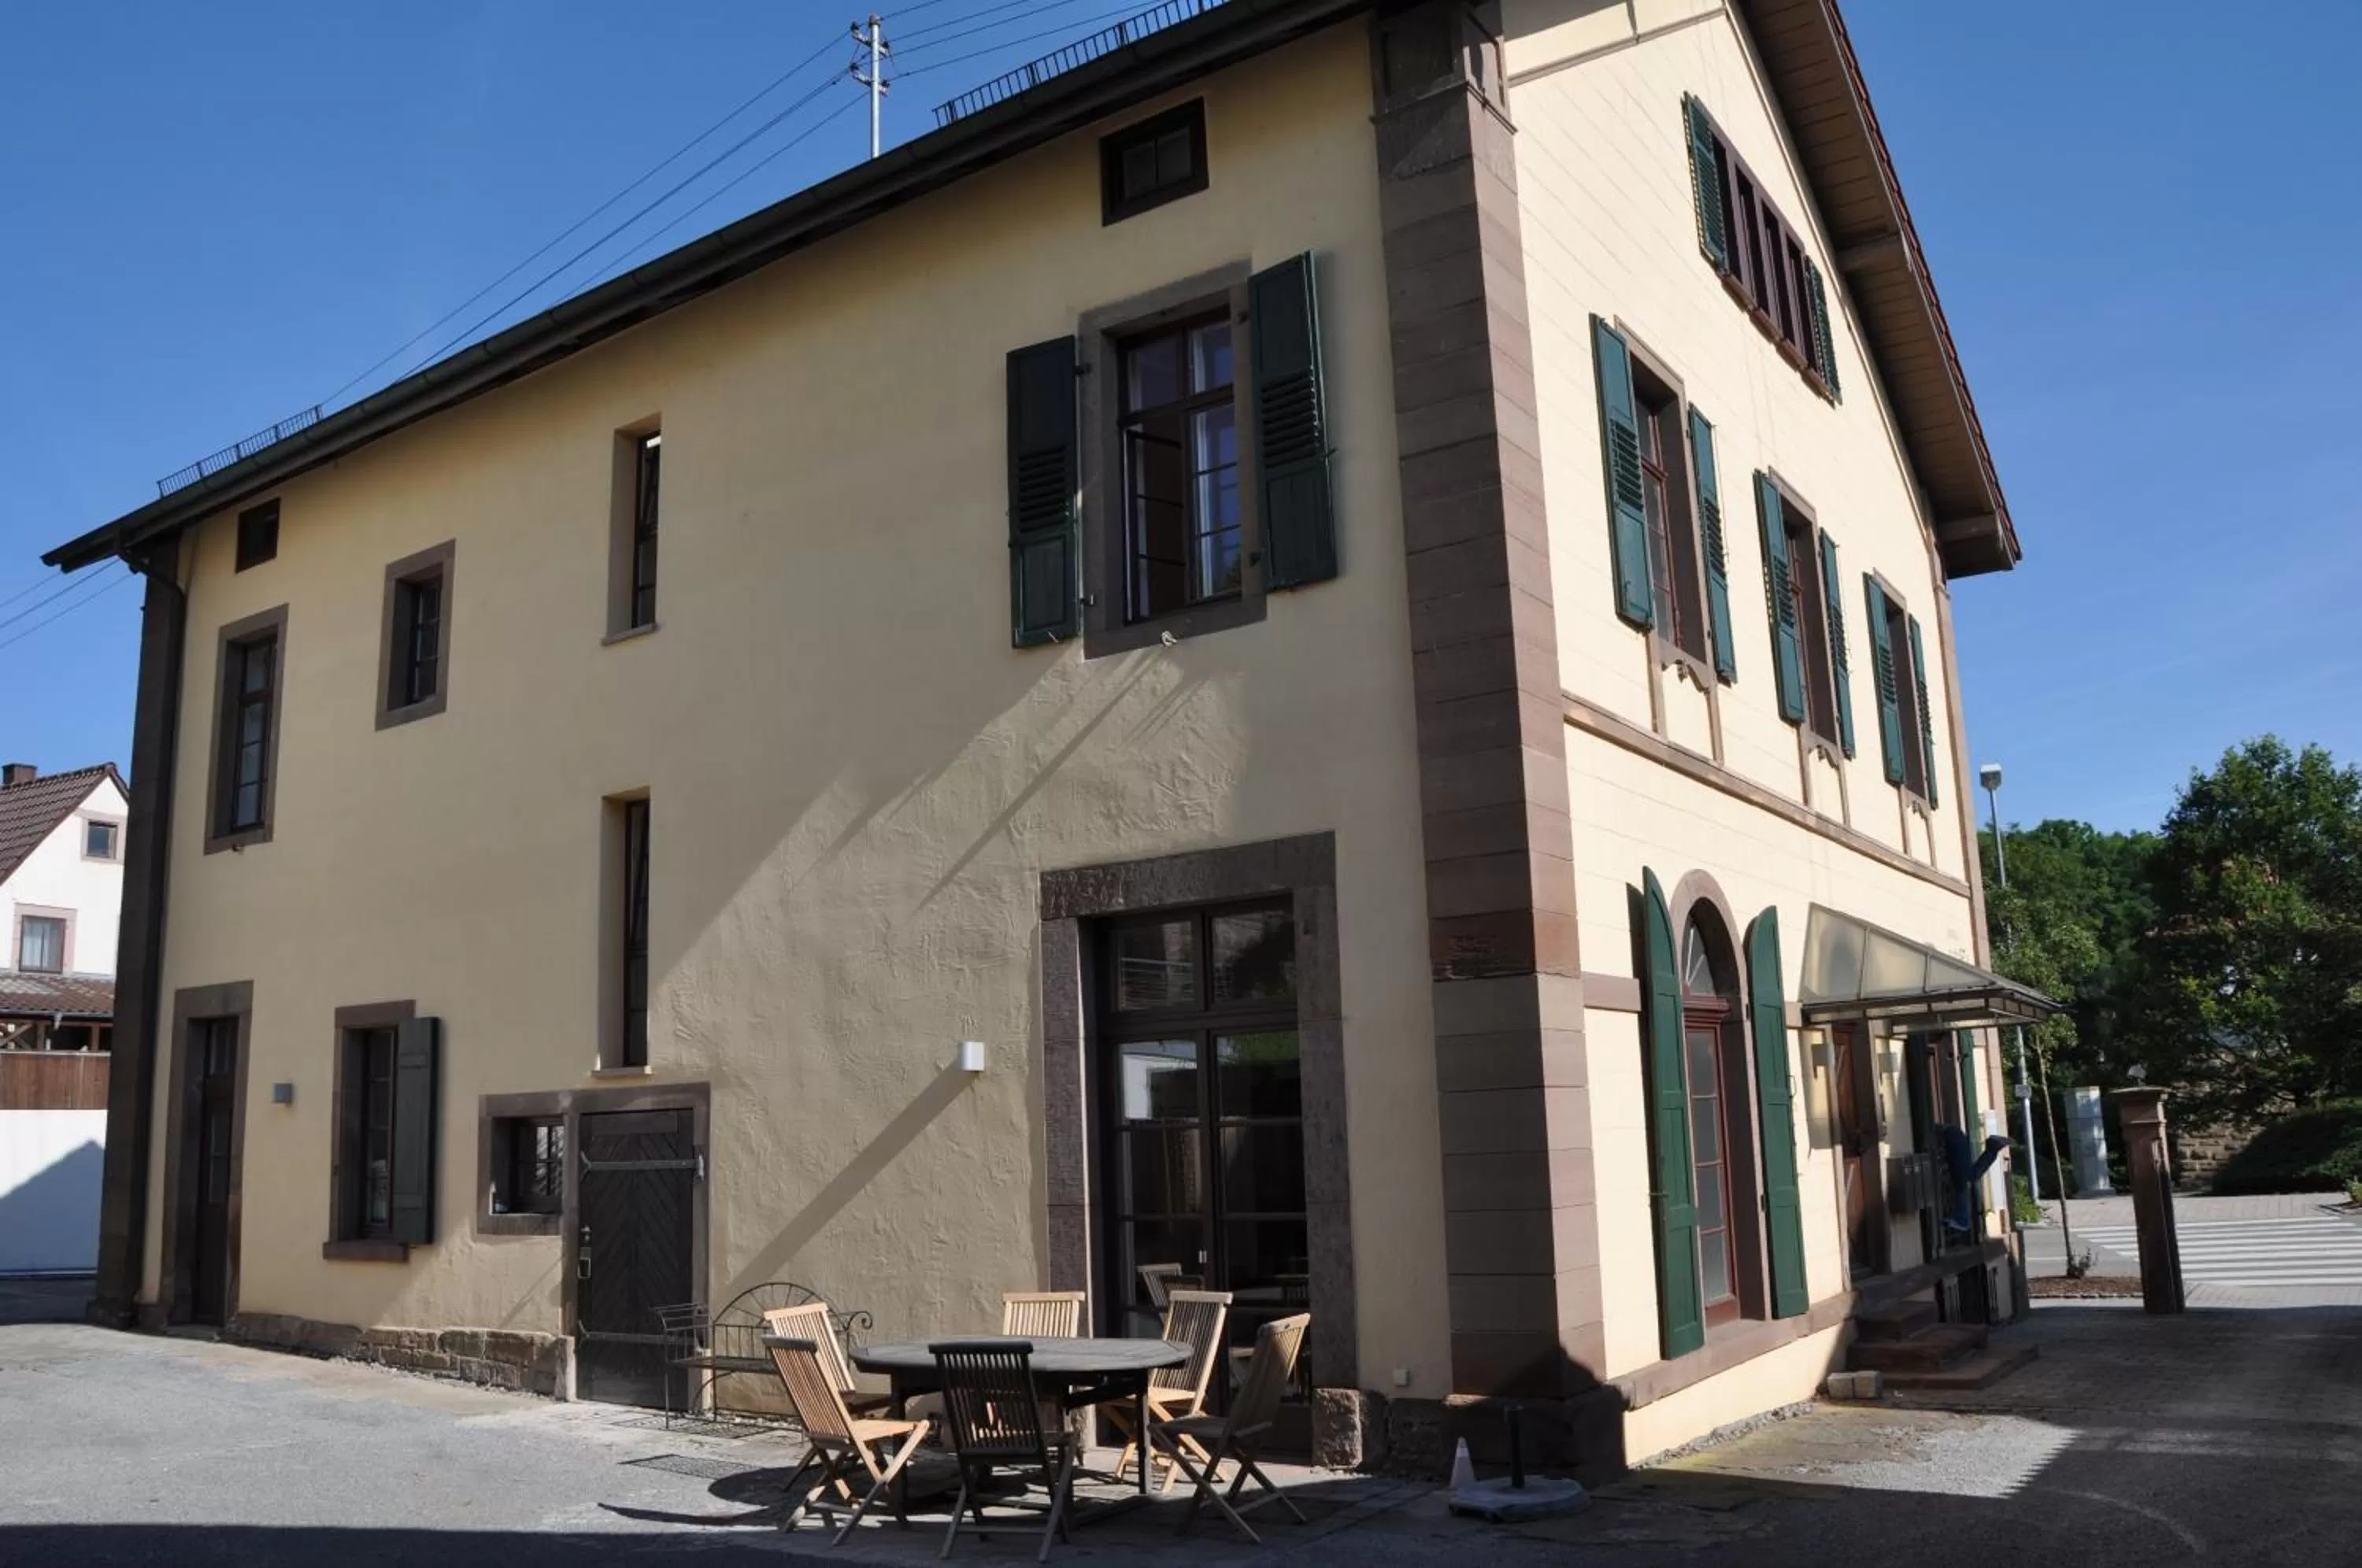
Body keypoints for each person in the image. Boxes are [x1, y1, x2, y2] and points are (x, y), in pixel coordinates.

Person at [1939, 1124, 2012, 1241]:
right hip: (1955, 1142)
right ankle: (1993, 1147)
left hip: (1955, 1141)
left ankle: (1993, 1147)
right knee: (1965, 1181)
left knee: (1965, 1180)